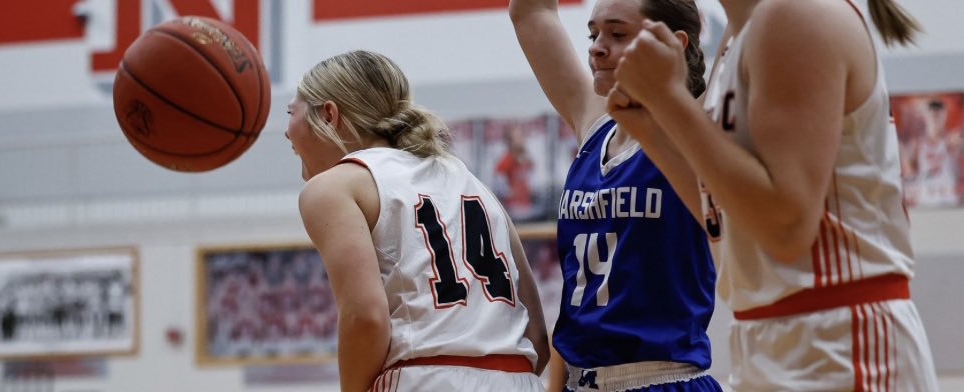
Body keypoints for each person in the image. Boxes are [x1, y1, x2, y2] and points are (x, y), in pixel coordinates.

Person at [608, 0, 941, 389]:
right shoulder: (739, 35)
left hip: (838, 335)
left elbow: (787, 227)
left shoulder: (794, 14)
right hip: (770, 335)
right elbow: (728, 214)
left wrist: (669, 99)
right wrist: (651, 127)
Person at [287, 50, 550, 392]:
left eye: (290, 113)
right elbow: (538, 339)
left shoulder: (333, 186)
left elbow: (365, 319)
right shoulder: (476, 185)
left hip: (425, 379)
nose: (287, 132)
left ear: (329, 115)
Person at [510, 0, 720, 390]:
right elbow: (530, 12)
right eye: (593, 34)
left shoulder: (700, 133)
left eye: (618, 34)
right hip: (581, 379)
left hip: (661, 378)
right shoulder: (596, 125)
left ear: (672, 44)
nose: (596, 47)